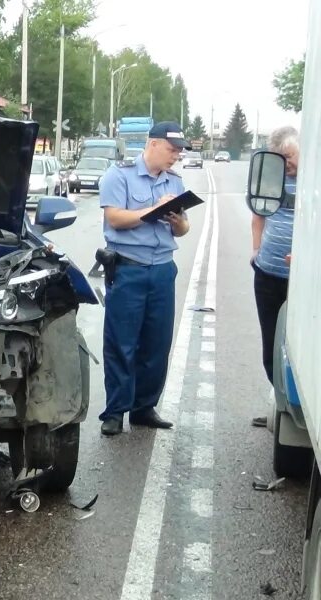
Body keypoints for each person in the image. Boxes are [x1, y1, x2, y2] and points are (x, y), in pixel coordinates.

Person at [98, 121, 192, 436]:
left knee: (157, 343)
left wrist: (177, 219)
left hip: (163, 268)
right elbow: (114, 218)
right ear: (152, 144)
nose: (176, 156)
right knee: (122, 343)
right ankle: (115, 412)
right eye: (172, 149)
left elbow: (183, 229)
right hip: (129, 267)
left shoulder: (174, 182)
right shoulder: (118, 175)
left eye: (180, 151)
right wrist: (153, 209)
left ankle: (144, 407)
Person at [250, 126, 299, 427]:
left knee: (301, 347)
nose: (286, 163)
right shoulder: (271, 177)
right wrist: (255, 250)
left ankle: (297, 407)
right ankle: (279, 405)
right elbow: (258, 215)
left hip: (304, 281)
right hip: (268, 274)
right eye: (280, 158)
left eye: (290, 156)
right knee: (272, 345)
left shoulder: (314, 182)